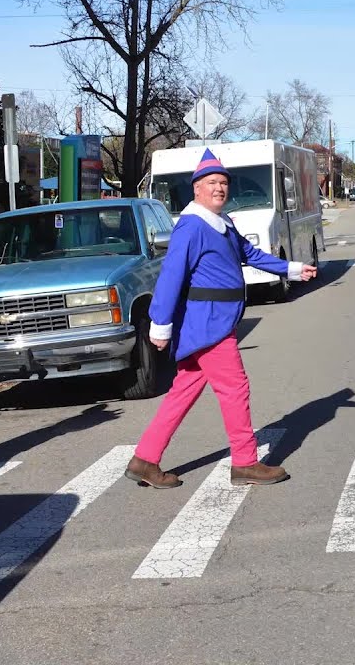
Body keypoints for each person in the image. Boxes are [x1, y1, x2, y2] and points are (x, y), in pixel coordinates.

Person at [125, 149, 318, 489]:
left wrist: (290, 268)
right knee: (235, 387)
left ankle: (145, 459)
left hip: (216, 320)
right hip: (207, 323)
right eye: (212, 182)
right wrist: (160, 323)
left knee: (183, 391)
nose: (219, 188)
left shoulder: (223, 221)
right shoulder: (192, 226)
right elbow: (171, 275)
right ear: (196, 188)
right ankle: (244, 462)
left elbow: (250, 254)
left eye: (224, 182)